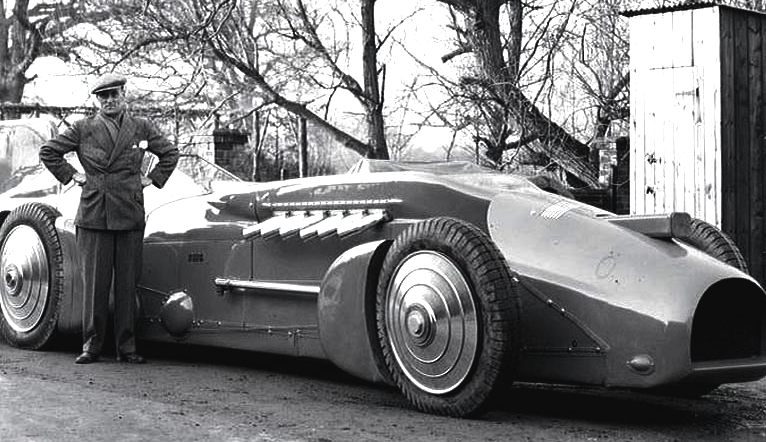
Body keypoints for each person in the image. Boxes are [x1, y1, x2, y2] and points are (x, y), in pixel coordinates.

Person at [39, 73, 179, 364]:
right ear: (97, 101)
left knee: (128, 283)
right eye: (104, 97)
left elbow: (170, 153)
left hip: (129, 210)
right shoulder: (83, 128)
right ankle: (91, 345)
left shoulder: (141, 126)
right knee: (95, 284)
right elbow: (49, 151)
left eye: (114, 94)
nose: (110, 101)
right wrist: (73, 176)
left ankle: (126, 348)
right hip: (94, 213)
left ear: (123, 95)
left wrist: (151, 180)